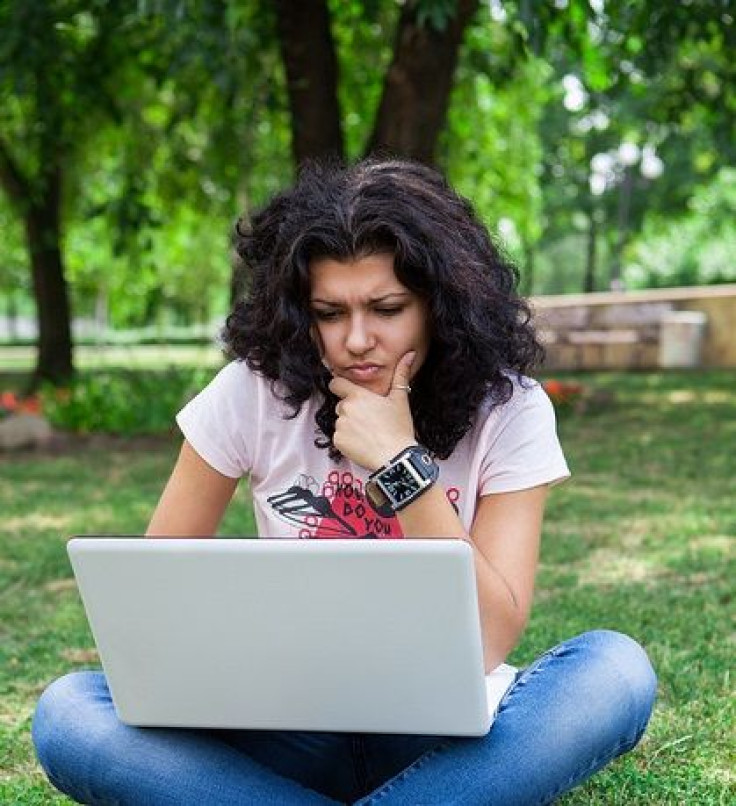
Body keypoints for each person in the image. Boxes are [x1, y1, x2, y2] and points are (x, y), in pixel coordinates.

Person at [32, 158, 656, 805]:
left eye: (387, 308)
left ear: (441, 305)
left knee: (614, 671)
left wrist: (400, 463)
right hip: (283, 728)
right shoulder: (253, 393)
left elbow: (491, 639)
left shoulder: (512, 409)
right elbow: (152, 604)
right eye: (331, 312)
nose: (358, 339)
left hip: (444, 737)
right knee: (69, 712)